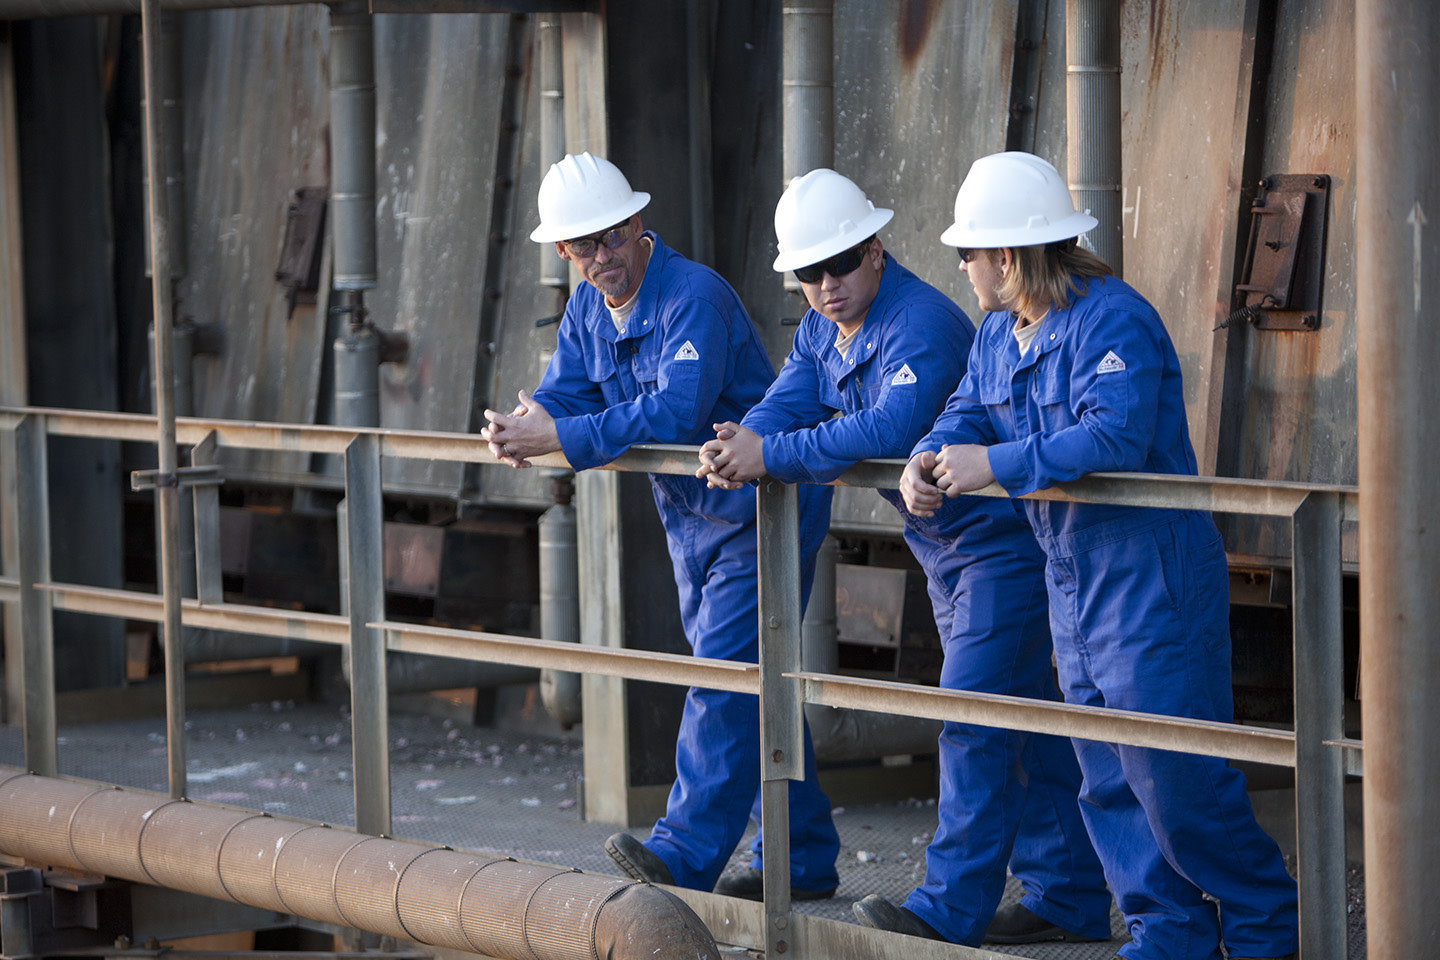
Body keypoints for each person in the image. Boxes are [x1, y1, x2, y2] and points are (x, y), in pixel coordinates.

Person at [901, 151, 1299, 960]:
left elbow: (1112, 434)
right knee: (1108, 777)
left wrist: (996, 468)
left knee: (1176, 776)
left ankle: (1267, 931)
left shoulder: (1111, 318)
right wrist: (930, 455)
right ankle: (1170, 935)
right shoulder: (996, 336)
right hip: (1073, 580)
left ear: (1007, 257)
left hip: (1149, 581)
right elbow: (966, 411)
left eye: (968, 253)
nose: (965, 268)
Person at [697, 168, 1111, 946]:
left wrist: (772, 453)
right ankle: (1070, 897)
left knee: (972, 724)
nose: (827, 286)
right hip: (948, 554)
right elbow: (795, 390)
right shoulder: (827, 322)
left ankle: (948, 911)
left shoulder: (919, 322)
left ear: (877, 250)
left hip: (1001, 552)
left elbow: (889, 428)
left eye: (842, 265)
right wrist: (739, 438)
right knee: (1018, 723)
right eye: (808, 274)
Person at [482, 152, 840, 901]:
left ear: (637, 224)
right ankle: (801, 853)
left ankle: (682, 856)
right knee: (754, 682)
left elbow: (678, 413)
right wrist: (526, 426)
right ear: (564, 254)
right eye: (583, 248)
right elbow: (565, 393)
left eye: (611, 239)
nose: (601, 258)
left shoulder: (692, 297)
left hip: (759, 508)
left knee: (722, 680)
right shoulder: (586, 306)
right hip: (693, 519)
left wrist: (560, 438)